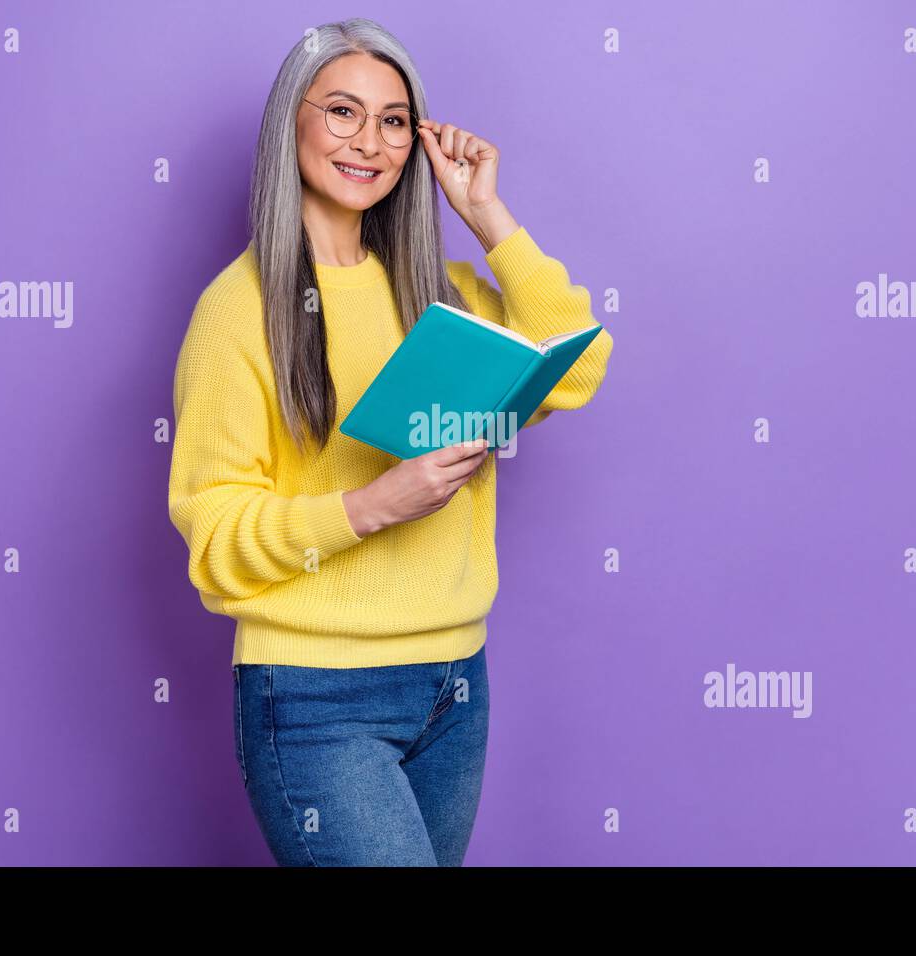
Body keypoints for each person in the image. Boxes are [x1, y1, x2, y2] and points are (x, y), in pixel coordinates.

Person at [167, 17, 613, 866]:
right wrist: (369, 507)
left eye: (394, 120)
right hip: (313, 699)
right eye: (341, 112)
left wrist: (487, 216)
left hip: (454, 685)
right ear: (288, 123)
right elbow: (216, 537)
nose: (369, 141)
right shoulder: (237, 311)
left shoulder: (435, 296)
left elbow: (580, 366)